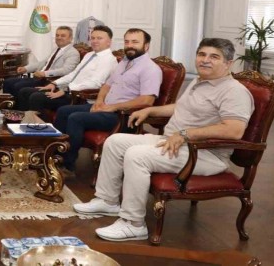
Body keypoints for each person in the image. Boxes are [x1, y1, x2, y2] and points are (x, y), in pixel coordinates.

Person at [74, 38, 254, 242]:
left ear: (228, 63)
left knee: (137, 155)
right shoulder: (201, 81)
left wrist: (186, 134)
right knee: (115, 142)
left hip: (204, 154)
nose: (205, 60)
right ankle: (107, 201)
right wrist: (150, 110)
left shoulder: (234, 91)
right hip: (173, 142)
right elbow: (181, 107)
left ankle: (133, 223)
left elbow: (234, 130)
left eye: (214, 57)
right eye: (202, 54)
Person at [53, 29, 162, 177]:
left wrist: (112, 107)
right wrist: (99, 101)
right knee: (64, 111)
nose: (129, 45)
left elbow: (147, 100)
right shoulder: (124, 62)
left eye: (135, 42)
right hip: (106, 108)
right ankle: (54, 155)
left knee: (76, 118)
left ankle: (67, 166)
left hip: (123, 116)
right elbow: (106, 85)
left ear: (146, 46)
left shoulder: (151, 69)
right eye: (127, 41)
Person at [16, 25, 117, 112]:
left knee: (36, 97)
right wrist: (54, 84)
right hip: (67, 90)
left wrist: (66, 90)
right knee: (26, 91)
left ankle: (39, 127)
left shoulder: (109, 60)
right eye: (93, 38)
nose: (94, 41)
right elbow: (73, 74)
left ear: (109, 42)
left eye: (99, 38)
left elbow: (95, 83)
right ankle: (20, 122)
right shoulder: (89, 55)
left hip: (78, 96)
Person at [3, 26, 79, 99]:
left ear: (70, 38)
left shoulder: (73, 53)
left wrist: (45, 73)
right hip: (40, 78)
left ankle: (18, 107)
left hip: (50, 81)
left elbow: (66, 70)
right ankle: (7, 105)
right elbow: (42, 63)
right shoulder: (56, 49)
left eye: (63, 36)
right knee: (8, 82)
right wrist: (26, 68)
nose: (59, 38)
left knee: (18, 86)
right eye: (57, 35)